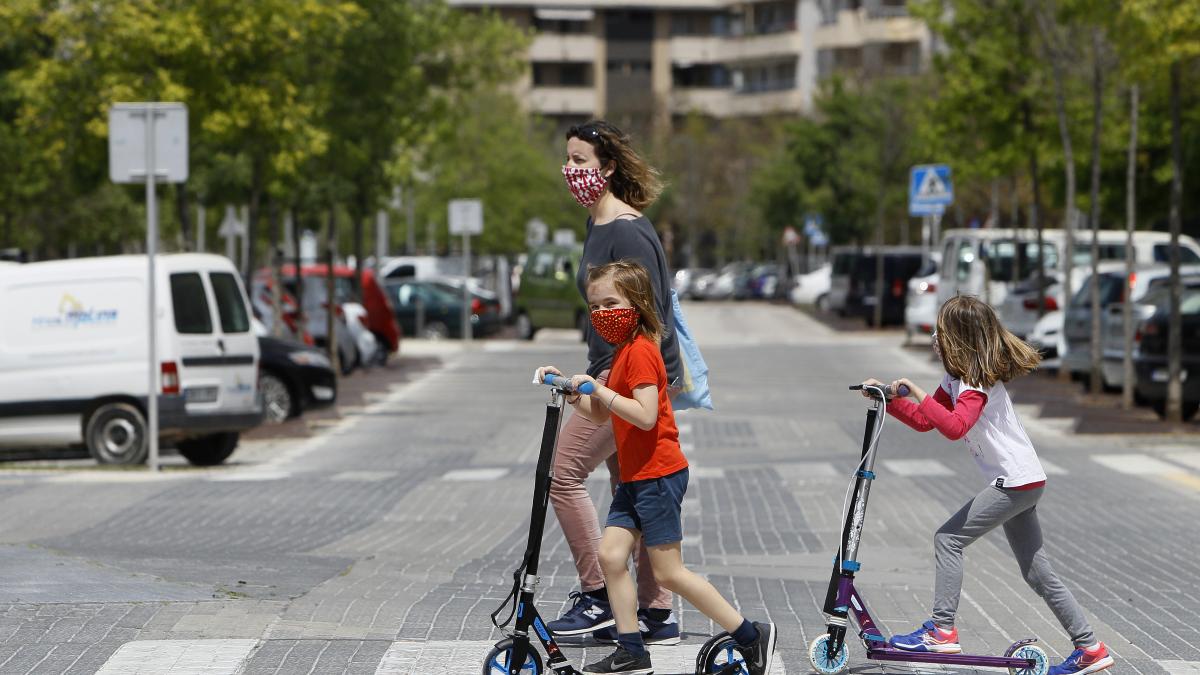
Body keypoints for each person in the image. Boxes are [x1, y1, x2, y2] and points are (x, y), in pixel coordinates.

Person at [537, 261, 775, 675]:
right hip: (636, 476)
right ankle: (632, 651)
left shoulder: (643, 351)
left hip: (659, 475)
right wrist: (573, 391)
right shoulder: (624, 350)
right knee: (612, 556)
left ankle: (752, 636)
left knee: (669, 573)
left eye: (610, 303)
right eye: (594, 307)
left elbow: (644, 416)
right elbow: (603, 414)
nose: (601, 314)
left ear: (638, 303)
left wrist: (602, 391)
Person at [861, 295, 1114, 675]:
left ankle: (942, 631)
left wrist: (916, 390)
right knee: (1037, 573)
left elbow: (955, 427)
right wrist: (887, 398)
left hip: (1013, 482)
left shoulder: (976, 383)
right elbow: (927, 421)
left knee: (948, 539)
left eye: (940, 331)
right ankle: (1091, 648)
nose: (934, 337)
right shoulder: (957, 378)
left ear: (958, 338)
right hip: (1024, 480)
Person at [546, 120, 683, 644]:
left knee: (563, 476)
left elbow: (653, 313)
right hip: (607, 374)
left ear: (606, 168)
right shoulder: (598, 226)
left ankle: (599, 595)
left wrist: (633, 384)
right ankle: (655, 612)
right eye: (569, 160)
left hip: (624, 380)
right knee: (632, 491)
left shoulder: (626, 229)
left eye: (581, 161)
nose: (571, 171)